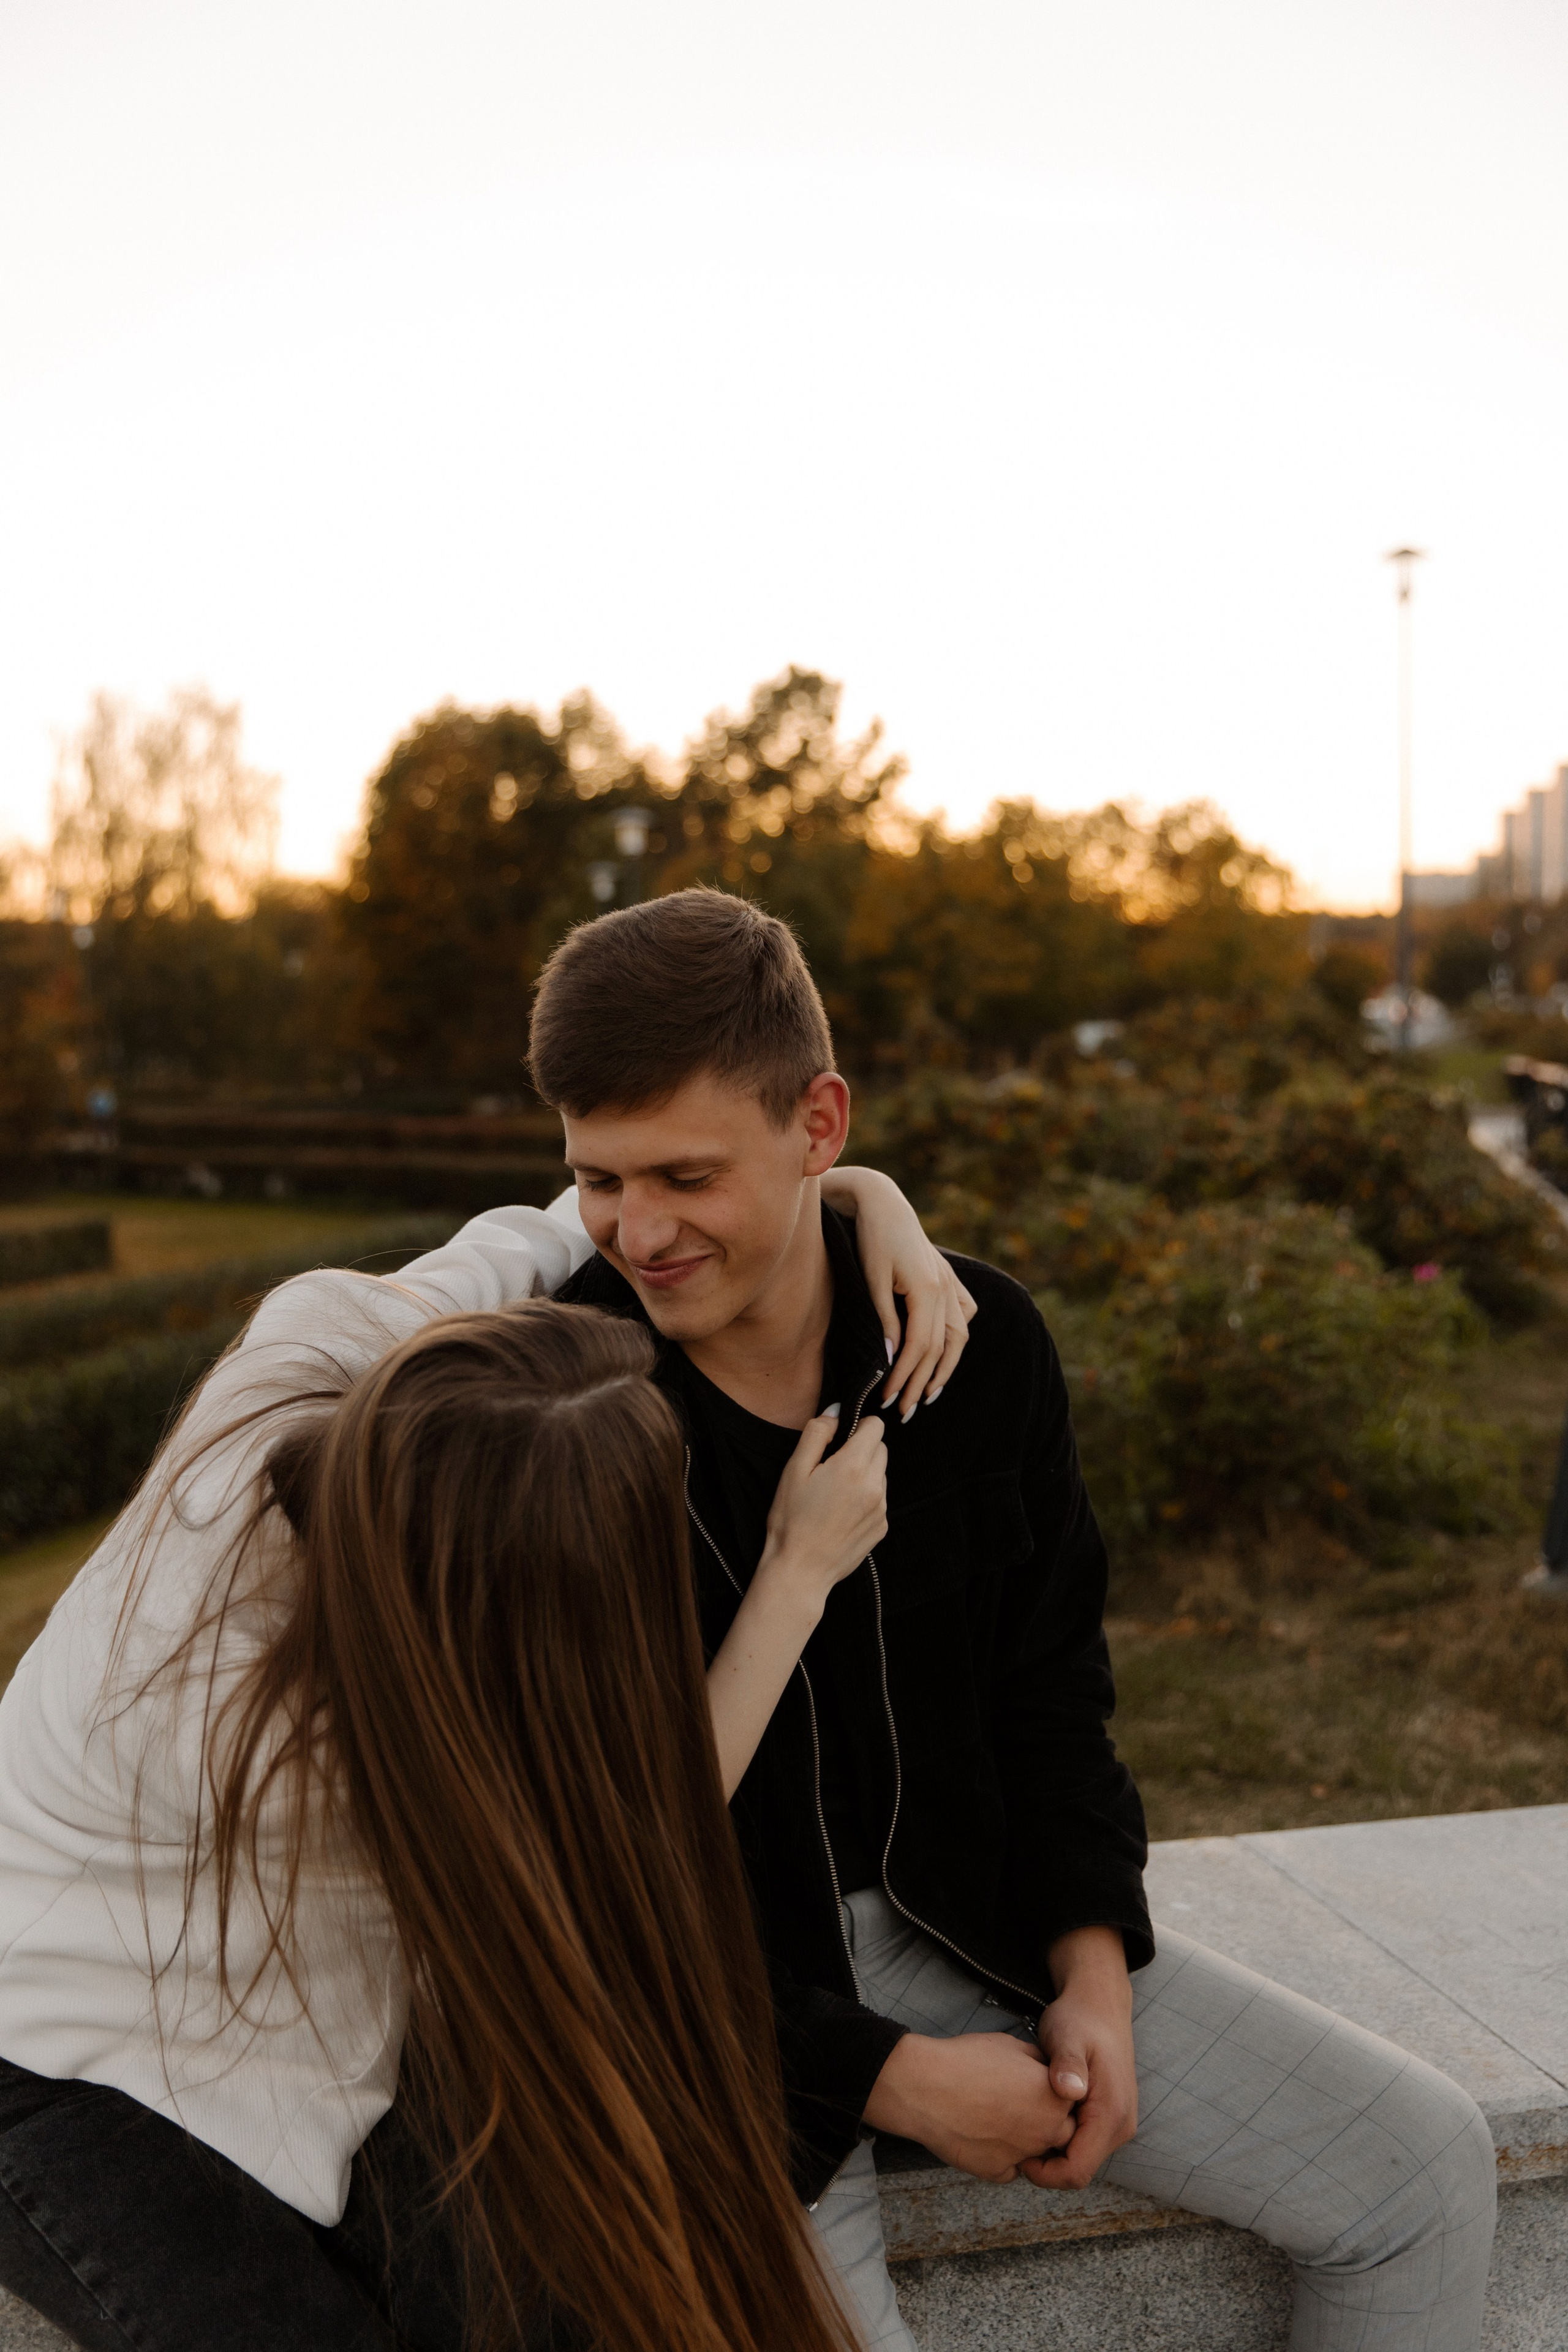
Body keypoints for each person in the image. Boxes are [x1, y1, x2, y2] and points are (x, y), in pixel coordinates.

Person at [529, 886, 1501, 2352]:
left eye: (683, 1175)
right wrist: (884, 2076)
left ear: (819, 1126)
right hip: (699, 2016)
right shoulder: (551, 1410)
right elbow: (565, 1877)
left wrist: (1092, 1967)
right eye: (600, 1180)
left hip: (969, 1937)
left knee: (1424, 2170)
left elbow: (1050, 1697)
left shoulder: (977, 1354)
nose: (638, 1232)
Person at [0, 1169, 962, 2350]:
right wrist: (796, 1577)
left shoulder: (334, 1341)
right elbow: (629, 1850)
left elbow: (583, 1209)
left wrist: (855, 1195)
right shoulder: (272, 1742)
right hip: (69, 2053)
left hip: (350, 2005)